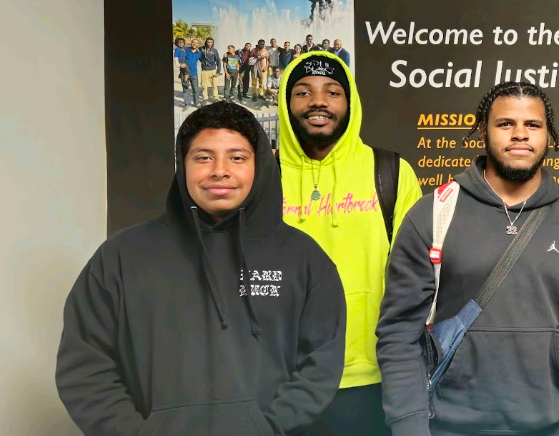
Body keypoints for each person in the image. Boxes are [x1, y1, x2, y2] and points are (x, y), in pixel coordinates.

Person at [56, 102, 346, 436]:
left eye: (237, 158)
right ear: (182, 165)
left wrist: (267, 429)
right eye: (203, 157)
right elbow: (85, 366)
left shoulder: (304, 258)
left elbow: (321, 364)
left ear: (260, 165)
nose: (219, 171)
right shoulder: (121, 256)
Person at [377, 82, 559, 436]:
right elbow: (398, 334)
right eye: (505, 123)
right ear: (483, 131)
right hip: (451, 427)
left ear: (548, 134)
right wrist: (409, 426)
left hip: (557, 426)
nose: (520, 134)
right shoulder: (433, 215)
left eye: (532, 124)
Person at [277, 52, 422, 436]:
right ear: (286, 104)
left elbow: (418, 281)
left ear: (350, 101)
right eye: (303, 92)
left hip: (371, 378)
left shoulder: (390, 172)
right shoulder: (261, 178)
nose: (318, 102)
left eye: (332, 92)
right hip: (281, 379)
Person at [199, 37, 222, 103]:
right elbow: (197, 55)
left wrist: (218, 71)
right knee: (204, 85)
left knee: (214, 85)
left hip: (213, 70)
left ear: (213, 43)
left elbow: (218, 61)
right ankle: (205, 98)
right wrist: (203, 62)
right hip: (204, 70)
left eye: (211, 42)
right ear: (206, 42)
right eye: (208, 42)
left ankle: (215, 97)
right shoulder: (201, 49)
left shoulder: (214, 50)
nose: (209, 44)